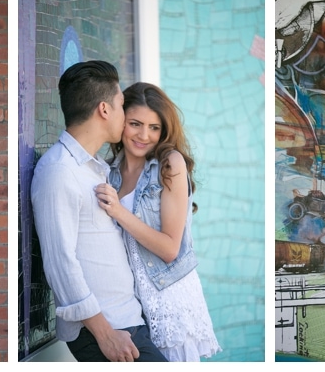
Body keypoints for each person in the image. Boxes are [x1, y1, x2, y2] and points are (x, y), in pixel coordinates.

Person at [32, 61, 166, 362]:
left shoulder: (94, 170)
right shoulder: (59, 171)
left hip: (127, 324)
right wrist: (105, 334)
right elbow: (60, 265)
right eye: (121, 105)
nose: (124, 114)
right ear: (104, 110)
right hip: (104, 333)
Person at [93, 83, 221, 361]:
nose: (143, 135)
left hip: (169, 301)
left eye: (154, 127)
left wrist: (119, 211)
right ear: (120, 121)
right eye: (135, 124)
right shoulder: (108, 171)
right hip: (130, 305)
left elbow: (169, 249)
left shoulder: (169, 164)